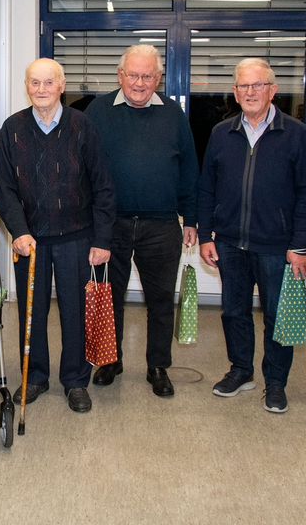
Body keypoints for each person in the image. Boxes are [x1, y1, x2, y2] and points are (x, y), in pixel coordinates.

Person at [0, 58, 116, 413]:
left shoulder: (83, 126)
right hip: (30, 240)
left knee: (74, 312)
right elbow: (3, 188)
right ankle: (34, 377)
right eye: (35, 83)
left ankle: (75, 380)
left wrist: (102, 239)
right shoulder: (12, 128)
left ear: (62, 86)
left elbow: (103, 186)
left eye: (50, 83)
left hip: (76, 237)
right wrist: (18, 231)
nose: (42, 89)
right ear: (27, 86)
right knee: (31, 313)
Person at [198, 58, 306, 413]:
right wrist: (207, 235)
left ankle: (276, 383)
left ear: (272, 90)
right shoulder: (222, 133)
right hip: (230, 242)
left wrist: (300, 245)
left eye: (257, 85)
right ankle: (241, 371)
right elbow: (207, 189)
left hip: (277, 246)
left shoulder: (296, 133)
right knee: (234, 312)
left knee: (277, 316)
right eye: (243, 86)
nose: (250, 92)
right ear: (235, 92)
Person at [85, 45, 198, 397]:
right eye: (132, 75)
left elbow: (189, 169)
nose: (139, 82)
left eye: (147, 76)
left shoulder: (174, 114)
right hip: (109, 224)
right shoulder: (97, 111)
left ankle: (158, 365)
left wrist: (191, 218)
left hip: (161, 225)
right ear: (120, 75)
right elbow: (82, 168)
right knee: (109, 296)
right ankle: (110, 360)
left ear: (158, 78)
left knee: (161, 300)